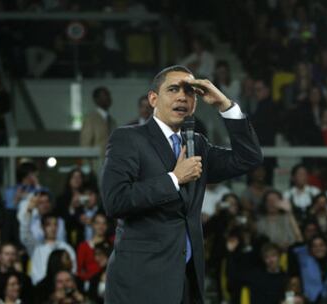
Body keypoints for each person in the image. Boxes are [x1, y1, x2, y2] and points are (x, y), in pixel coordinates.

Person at [101, 65, 263, 303]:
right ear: (153, 99)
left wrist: (224, 105)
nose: (182, 96)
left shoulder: (198, 144)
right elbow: (115, 201)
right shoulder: (128, 139)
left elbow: (249, 158)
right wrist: (174, 179)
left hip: (186, 280)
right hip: (140, 281)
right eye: (173, 89)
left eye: (189, 91)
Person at [29, 213, 76, 285]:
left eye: (55, 224)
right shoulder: (38, 250)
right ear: (42, 227)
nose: (53, 228)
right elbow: (36, 275)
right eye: (49, 225)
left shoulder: (67, 248)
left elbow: (74, 270)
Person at [80, 86, 117, 160]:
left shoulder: (112, 121)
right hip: (97, 164)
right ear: (96, 99)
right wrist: (87, 168)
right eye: (104, 95)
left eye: (108, 95)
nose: (108, 98)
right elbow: (85, 144)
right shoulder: (90, 119)